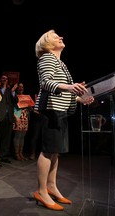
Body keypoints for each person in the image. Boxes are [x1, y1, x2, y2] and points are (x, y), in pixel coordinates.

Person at [33, 29, 94, 211]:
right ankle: (41, 191)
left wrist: (79, 97)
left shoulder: (59, 62)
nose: (60, 37)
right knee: (47, 151)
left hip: (59, 110)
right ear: (46, 43)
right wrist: (69, 87)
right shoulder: (47, 58)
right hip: (51, 110)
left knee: (54, 152)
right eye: (55, 36)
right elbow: (46, 83)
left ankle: (51, 186)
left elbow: (64, 91)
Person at [0, 74, 18, 163]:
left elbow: (15, 101)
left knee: (7, 138)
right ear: (0, 80)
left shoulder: (10, 90)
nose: (4, 80)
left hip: (9, 116)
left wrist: (13, 91)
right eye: (3, 78)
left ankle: (4, 155)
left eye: (6, 78)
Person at [12, 82, 33, 161]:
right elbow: (11, 108)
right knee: (17, 136)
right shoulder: (14, 96)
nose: (21, 88)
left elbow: (30, 109)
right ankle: (16, 154)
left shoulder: (26, 97)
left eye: (22, 87)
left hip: (25, 117)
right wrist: (15, 117)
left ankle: (21, 153)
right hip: (18, 116)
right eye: (19, 87)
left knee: (22, 136)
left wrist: (30, 107)